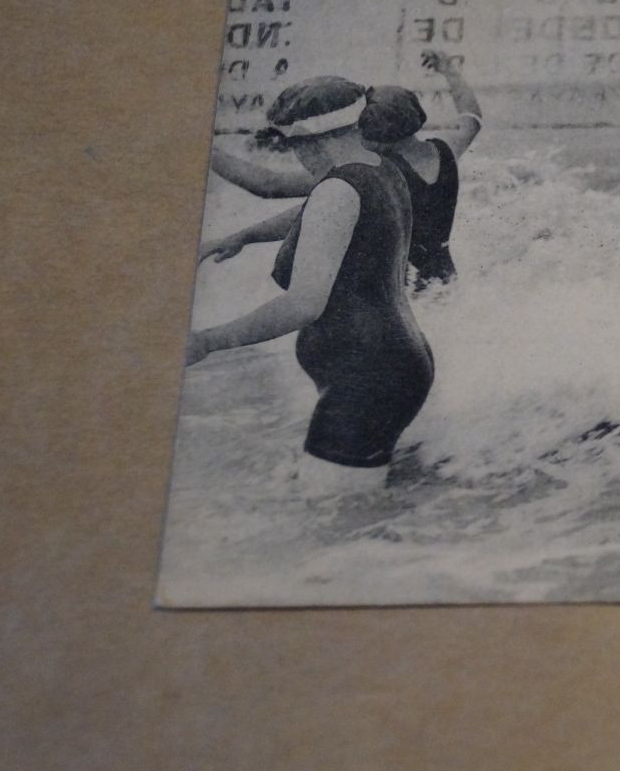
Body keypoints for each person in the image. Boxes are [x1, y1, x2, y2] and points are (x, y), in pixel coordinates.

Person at [186, 77, 435, 492]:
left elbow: (303, 305)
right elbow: (319, 216)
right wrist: (243, 236)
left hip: (366, 379)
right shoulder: (380, 169)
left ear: (306, 140)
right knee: (354, 519)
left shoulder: (337, 189)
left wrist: (209, 341)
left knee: (335, 525)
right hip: (393, 363)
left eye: (291, 146)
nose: (295, 157)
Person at [201, 50, 482, 289]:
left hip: (397, 295)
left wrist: (205, 151)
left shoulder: (377, 174)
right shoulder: (445, 150)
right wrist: (450, 72)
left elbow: (271, 185)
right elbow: (471, 118)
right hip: (444, 283)